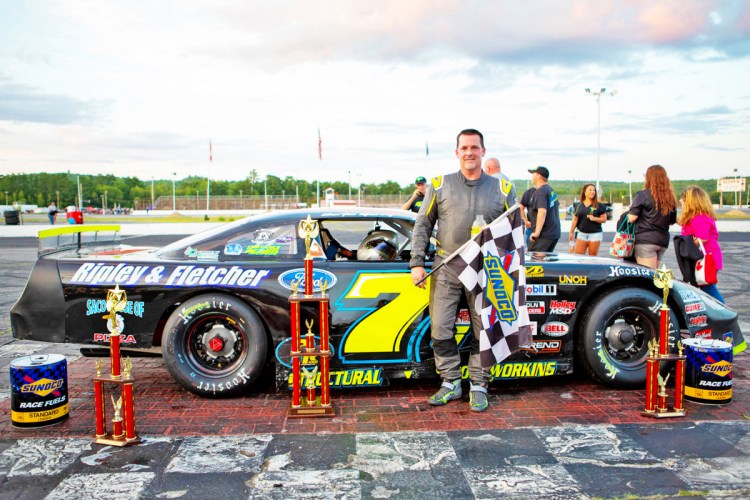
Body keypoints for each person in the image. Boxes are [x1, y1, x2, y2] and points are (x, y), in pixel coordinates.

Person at [410, 128, 510, 413]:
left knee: (484, 330)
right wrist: (417, 262)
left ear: (483, 151)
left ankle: (478, 384)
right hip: (446, 266)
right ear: (457, 152)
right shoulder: (440, 185)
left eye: (474, 148)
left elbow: (514, 230)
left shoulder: (502, 189)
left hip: (486, 269)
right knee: (440, 329)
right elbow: (423, 225)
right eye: (464, 148)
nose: (469, 152)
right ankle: (451, 382)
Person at [678, 185, 724, 302]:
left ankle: (723, 310)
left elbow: (703, 238)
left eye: (683, 199)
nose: (680, 201)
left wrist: (685, 245)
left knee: (707, 287)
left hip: (706, 258)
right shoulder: (699, 216)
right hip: (705, 257)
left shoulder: (699, 217)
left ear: (691, 201)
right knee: (704, 287)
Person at [627, 165, 677, 269]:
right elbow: (672, 221)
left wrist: (628, 211)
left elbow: (632, 218)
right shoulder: (670, 198)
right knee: (655, 274)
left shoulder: (643, 195)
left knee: (647, 276)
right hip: (662, 241)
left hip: (646, 240)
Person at [527, 166, 560, 252]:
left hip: (544, 235)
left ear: (539, 176)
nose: (532, 176)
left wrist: (537, 233)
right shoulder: (550, 190)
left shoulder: (541, 191)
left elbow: (542, 211)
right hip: (553, 233)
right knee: (545, 261)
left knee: (536, 262)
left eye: (533, 174)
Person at [569, 183, 607, 255]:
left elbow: (604, 219)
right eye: (590, 190)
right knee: (579, 256)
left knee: (592, 256)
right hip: (581, 234)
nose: (592, 192)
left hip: (595, 234)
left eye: (594, 190)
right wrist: (571, 232)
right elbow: (575, 219)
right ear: (585, 192)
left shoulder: (599, 205)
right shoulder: (578, 205)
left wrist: (594, 218)